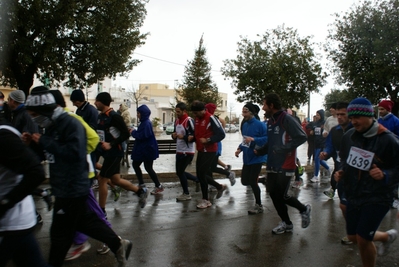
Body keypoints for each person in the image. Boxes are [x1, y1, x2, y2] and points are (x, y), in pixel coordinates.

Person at [25, 87, 132, 267]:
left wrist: (43, 141)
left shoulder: (70, 123)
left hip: (73, 186)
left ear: (46, 110)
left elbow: (74, 152)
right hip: (64, 186)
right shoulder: (51, 126)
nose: (34, 118)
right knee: (85, 222)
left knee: (60, 236)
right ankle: (118, 244)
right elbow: (51, 153)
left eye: (35, 114)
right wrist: (33, 143)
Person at [335, 97, 399, 267]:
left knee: (363, 239)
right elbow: (345, 159)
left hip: (378, 196)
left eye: (358, 117)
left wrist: (385, 174)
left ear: (370, 116)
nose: (353, 121)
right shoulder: (351, 135)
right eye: (352, 117)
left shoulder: (388, 140)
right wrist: (341, 171)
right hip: (354, 193)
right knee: (353, 237)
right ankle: (386, 237)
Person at [256, 93, 311, 234]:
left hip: (286, 164)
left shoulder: (286, 119)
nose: (263, 108)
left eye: (264, 104)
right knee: (274, 194)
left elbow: (302, 137)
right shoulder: (270, 121)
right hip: (273, 164)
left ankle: (304, 209)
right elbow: (271, 142)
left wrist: (283, 149)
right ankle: (287, 223)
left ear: (271, 106)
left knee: (283, 195)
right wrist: (260, 151)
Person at [0, 123, 50, 267]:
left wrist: (5, 204)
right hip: (17, 222)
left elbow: (35, 172)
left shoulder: (4, 136)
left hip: (10, 223)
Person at [95, 92, 148, 213]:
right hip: (105, 153)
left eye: (97, 101)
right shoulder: (100, 116)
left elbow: (125, 133)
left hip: (114, 153)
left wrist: (111, 144)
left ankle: (101, 211)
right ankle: (140, 191)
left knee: (102, 179)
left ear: (102, 102)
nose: (95, 103)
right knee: (115, 180)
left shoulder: (114, 116)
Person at [319, 101, 353, 245]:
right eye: (337, 114)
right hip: (341, 172)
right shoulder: (335, 131)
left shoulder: (357, 130)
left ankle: (358, 233)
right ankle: (353, 232)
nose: (339, 117)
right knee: (344, 204)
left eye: (342, 114)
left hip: (358, 176)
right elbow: (330, 147)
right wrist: (325, 153)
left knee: (355, 205)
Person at [191, 100, 227, 209]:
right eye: (194, 113)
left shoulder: (211, 118)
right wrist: (192, 138)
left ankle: (206, 200)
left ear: (203, 110)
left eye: (196, 113)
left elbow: (221, 134)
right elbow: (197, 134)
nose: (195, 115)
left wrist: (208, 140)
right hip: (201, 149)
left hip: (210, 150)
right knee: (200, 174)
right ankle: (218, 187)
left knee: (202, 174)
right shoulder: (197, 119)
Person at [235, 103, 267, 214]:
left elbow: (267, 138)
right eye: (242, 112)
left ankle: (259, 205)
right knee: (244, 181)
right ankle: (262, 180)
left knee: (253, 182)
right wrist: (240, 149)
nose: (243, 114)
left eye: (245, 112)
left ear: (252, 113)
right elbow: (245, 140)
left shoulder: (260, 125)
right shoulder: (244, 125)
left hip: (257, 157)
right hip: (247, 157)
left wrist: (254, 139)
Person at [130, 104, 163, 194]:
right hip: (146, 150)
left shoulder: (146, 123)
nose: (137, 115)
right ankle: (149, 184)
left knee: (145, 167)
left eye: (138, 113)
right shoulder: (145, 123)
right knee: (143, 166)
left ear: (143, 114)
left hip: (146, 150)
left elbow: (142, 136)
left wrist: (133, 132)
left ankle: (155, 185)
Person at [171, 102, 200, 201]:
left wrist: (184, 137)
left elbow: (194, 136)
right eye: (176, 111)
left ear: (184, 111)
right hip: (179, 150)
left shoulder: (189, 121)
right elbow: (175, 135)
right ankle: (197, 180)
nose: (177, 113)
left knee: (180, 172)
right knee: (179, 172)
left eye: (179, 112)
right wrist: (173, 136)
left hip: (188, 151)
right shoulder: (176, 121)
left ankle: (186, 193)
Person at [205, 103, 236, 186]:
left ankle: (229, 174)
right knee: (209, 167)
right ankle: (212, 184)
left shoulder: (213, 118)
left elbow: (223, 122)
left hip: (215, 144)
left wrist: (220, 130)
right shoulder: (209, 118)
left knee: (212, 167)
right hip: (211, 144)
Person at [377, 99, 399, 208]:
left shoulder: (395, 121)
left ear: (388, 110)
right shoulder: (378, 121)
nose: (380, 111)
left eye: (382, 109)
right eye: (379, 109)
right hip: (380, 153)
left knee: (393, 176)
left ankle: (394, 198)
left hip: (393, 153)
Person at [307, 109, 330, 182]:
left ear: (321, 115)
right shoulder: (315, 123)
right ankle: (328, 168)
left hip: (322, 144)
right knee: (319, 160)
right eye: (316, 115)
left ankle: (316, 176)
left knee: (316, 159)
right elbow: (307, 126)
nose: (316, 116)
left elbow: (329, 131)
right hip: (315, 143)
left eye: (318, 115)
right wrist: (311, 130)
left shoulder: (325, 123)